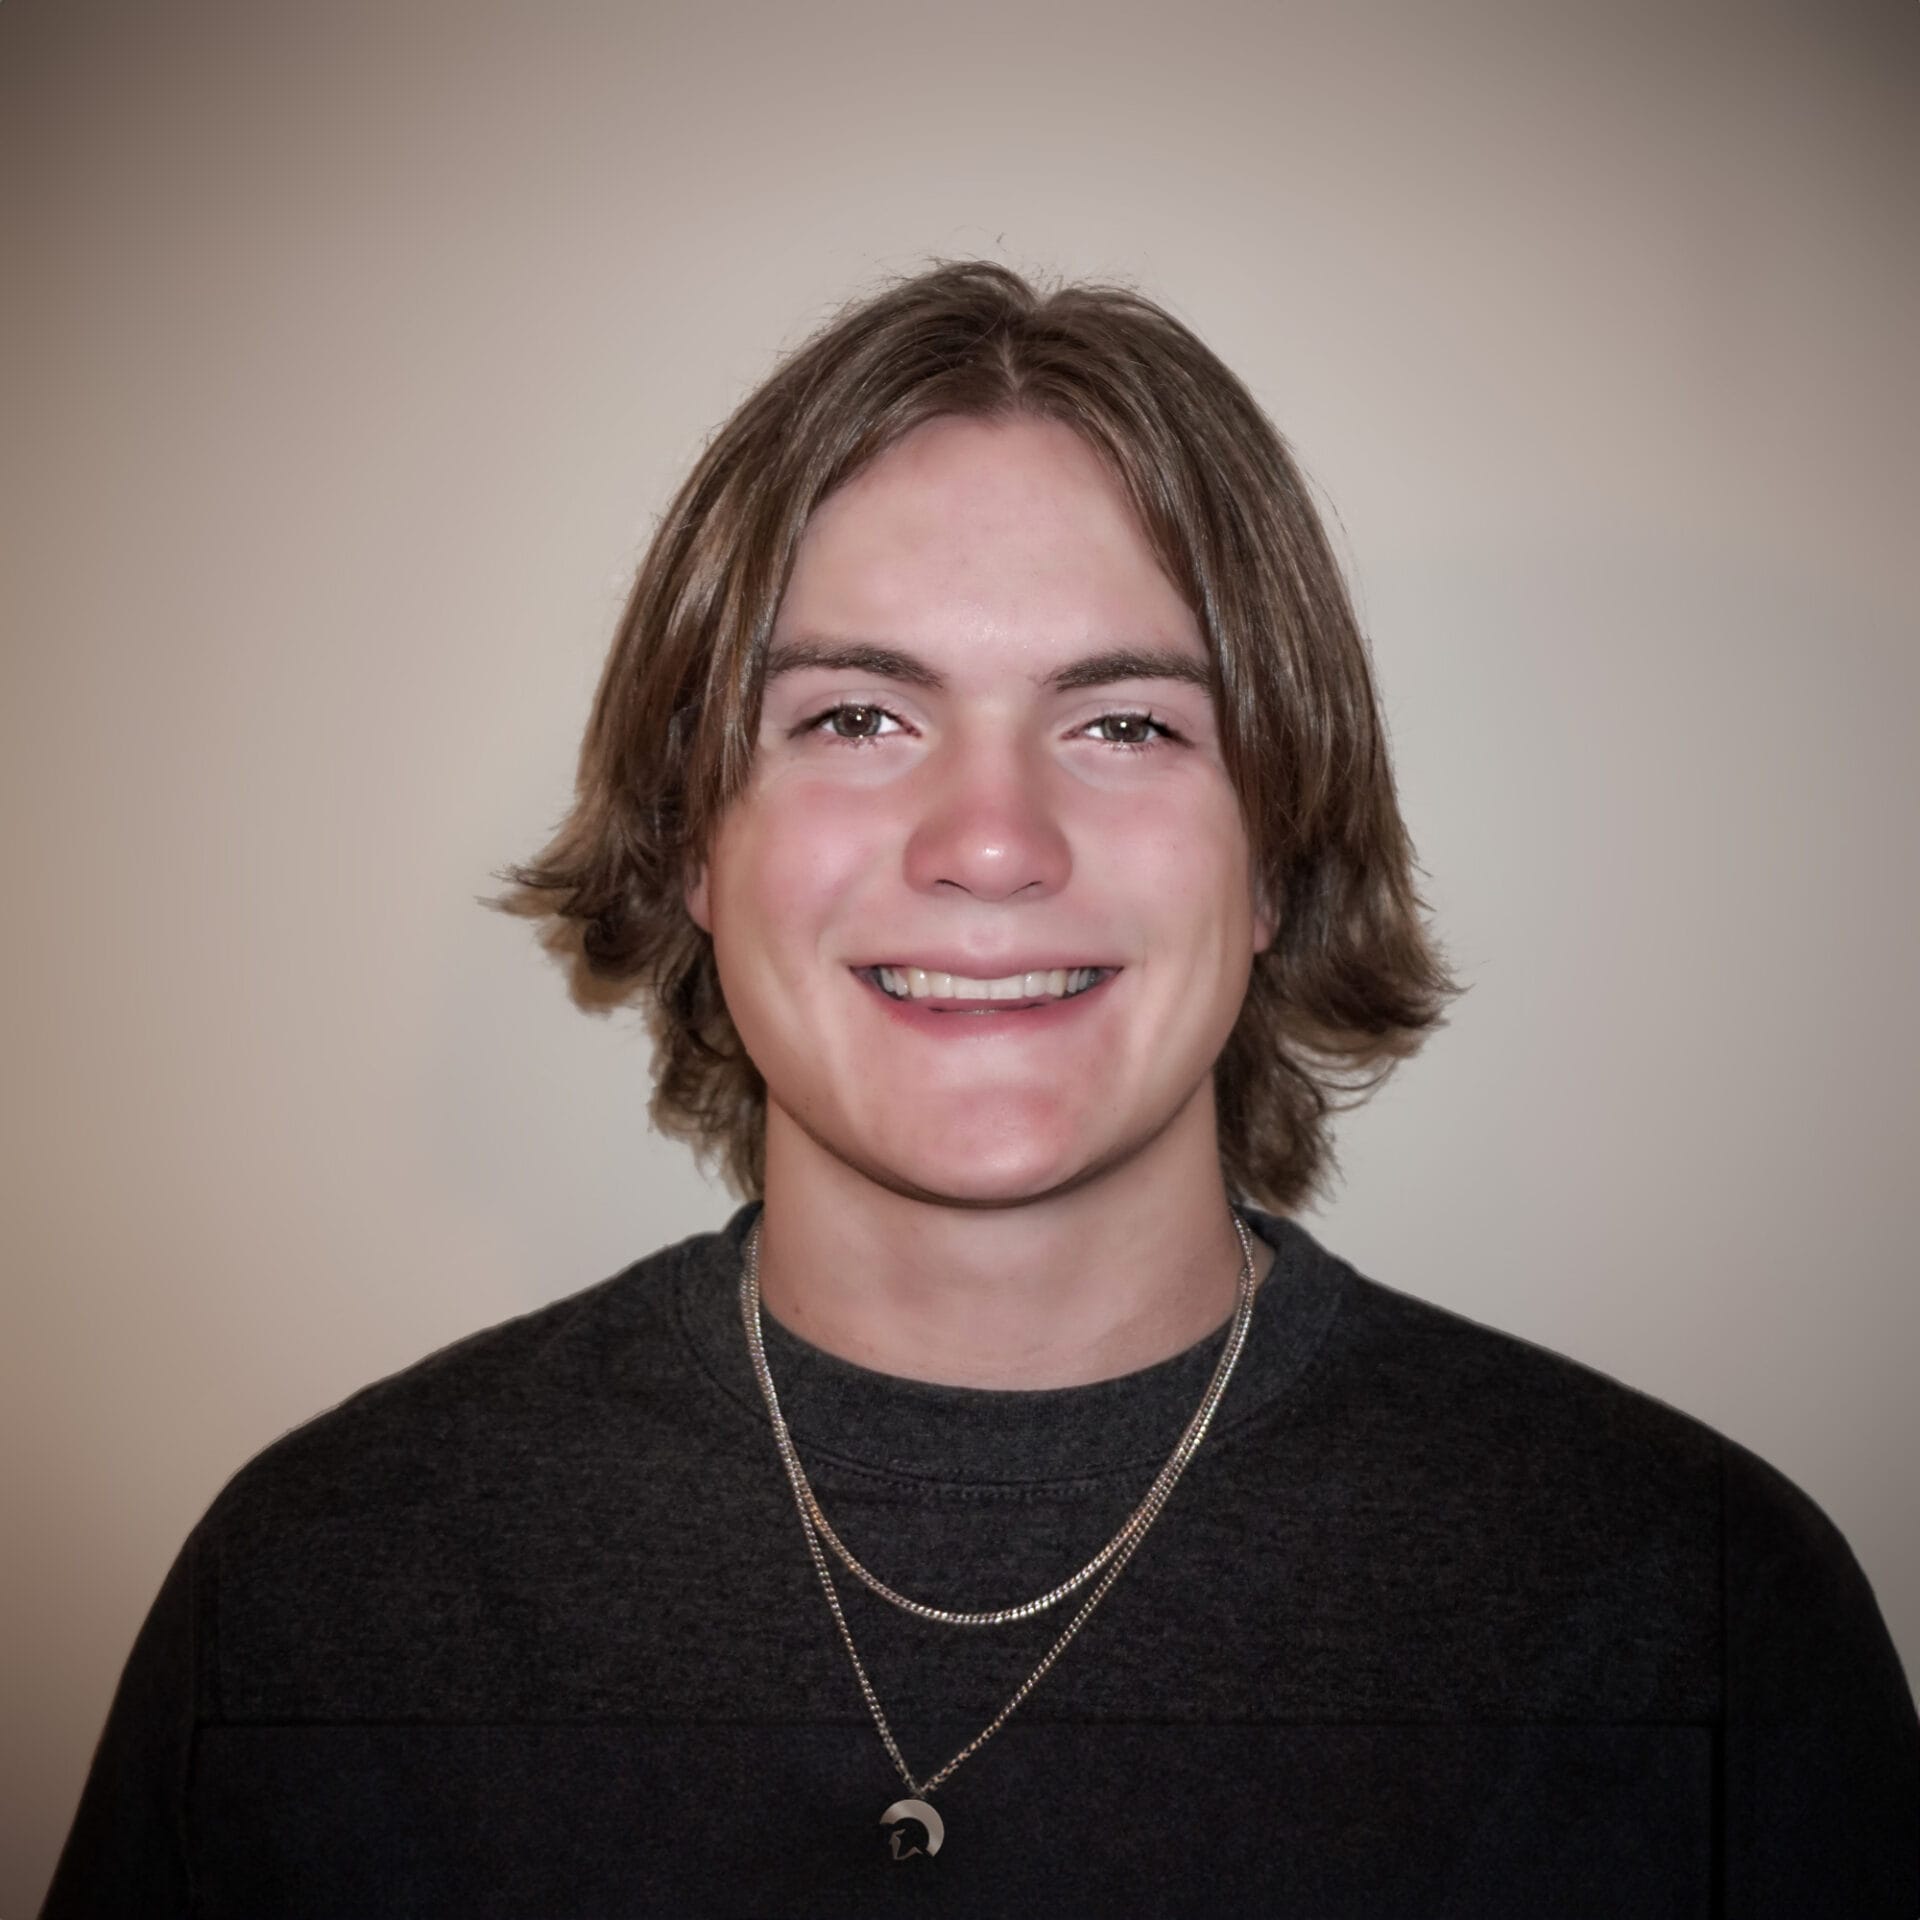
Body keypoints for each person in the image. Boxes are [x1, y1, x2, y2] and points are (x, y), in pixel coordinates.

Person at [43, 262, 1918, 1918]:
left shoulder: (1697, 1623)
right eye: (856, 716)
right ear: (698, 843)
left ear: (1275, 859)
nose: (994, 843)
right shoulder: (320, 1601)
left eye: (1125, 723)